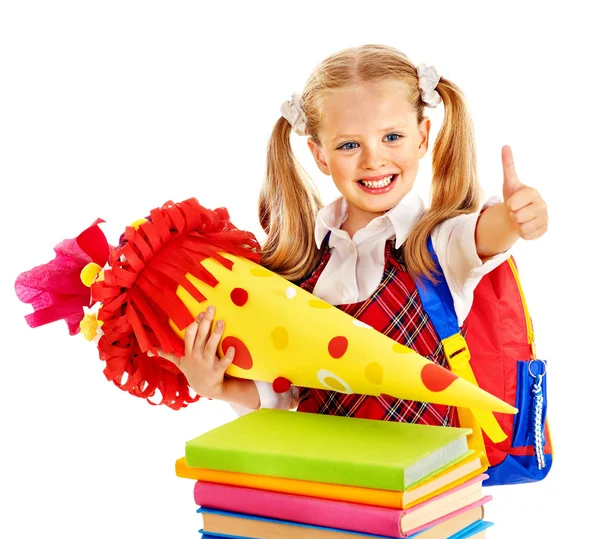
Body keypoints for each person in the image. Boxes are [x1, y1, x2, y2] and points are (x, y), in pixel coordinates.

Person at [160, 44, 548, 423]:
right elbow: (285, 389)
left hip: (429, 481)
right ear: (320, 156)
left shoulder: (440, 243)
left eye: (391, 137)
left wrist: (514, 219)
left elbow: (483, 236)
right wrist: (217, 386)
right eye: (349, 145)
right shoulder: (305, 261)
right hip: (330, 477)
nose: (373, 158)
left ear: (422, 137)